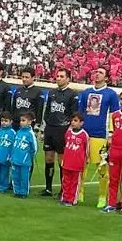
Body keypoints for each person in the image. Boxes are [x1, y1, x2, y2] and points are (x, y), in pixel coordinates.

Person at [79, 66, 120, 209]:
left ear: (107, 77)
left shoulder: (111, 94)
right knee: (81, 165)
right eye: (96, 72)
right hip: (84, 134)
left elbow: (114, 115)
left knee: (102, 167)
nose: (97, 74)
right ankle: (80, 192)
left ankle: (102, 196)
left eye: (101, 73)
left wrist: (111, 134)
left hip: (100, 135)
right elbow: (80, 113)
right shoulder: (86, 93)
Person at [41, 69, 80, 197]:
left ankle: (64, 189)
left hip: (62, 130)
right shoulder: (51, 92)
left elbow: (73, 114)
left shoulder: (72, 94)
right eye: (57, 76)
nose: (58, 78)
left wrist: (70, 129)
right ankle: (48, 188)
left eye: (62, 76)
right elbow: (47, 111)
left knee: (62, 161)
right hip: (50, 128)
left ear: (68, 79)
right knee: (48, 159)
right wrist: (44, 128)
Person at [60, 113, 90, 207]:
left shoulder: (84, 135)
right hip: (67, 162)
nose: (73, 122)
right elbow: (66, 144)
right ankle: (64, 198)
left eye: (76, 121)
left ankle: (72, 200)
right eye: (72, 120)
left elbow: (87, 149)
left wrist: (85, 160)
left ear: (81, 123)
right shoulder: (68, 132)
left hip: (77, 164)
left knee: (75, 183)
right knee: (66, 181)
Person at [11, 113, 38, 198]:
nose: (21, 122)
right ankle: (17, 191)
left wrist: (28, 157)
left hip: (25, 161)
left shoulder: (30, 134)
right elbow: (14, 145)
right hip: (15, 159)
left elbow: (34, 148)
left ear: (29, 122)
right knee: (15, 176)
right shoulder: (18, 132)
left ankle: (23, 192)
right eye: (21, 121)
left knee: (24, 178)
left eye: (24, 120)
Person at [0, 112, 17, 193]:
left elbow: (14, 147)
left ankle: (3, 187)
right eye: (2, 120)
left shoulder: (13, 133)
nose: (3, 123)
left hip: (5, 158)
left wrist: (10, 156)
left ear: (11, 122)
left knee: (4, 173)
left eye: (6, 121)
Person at [12, 68, 44, 132]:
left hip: (29, 124)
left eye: (27, 77)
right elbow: (13, 107)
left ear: (33, 78)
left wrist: (37, 125)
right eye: (23, 77)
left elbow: (39, 110)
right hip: (15, 123)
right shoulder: (18, 90)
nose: (24, 79)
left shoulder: (38, 92)